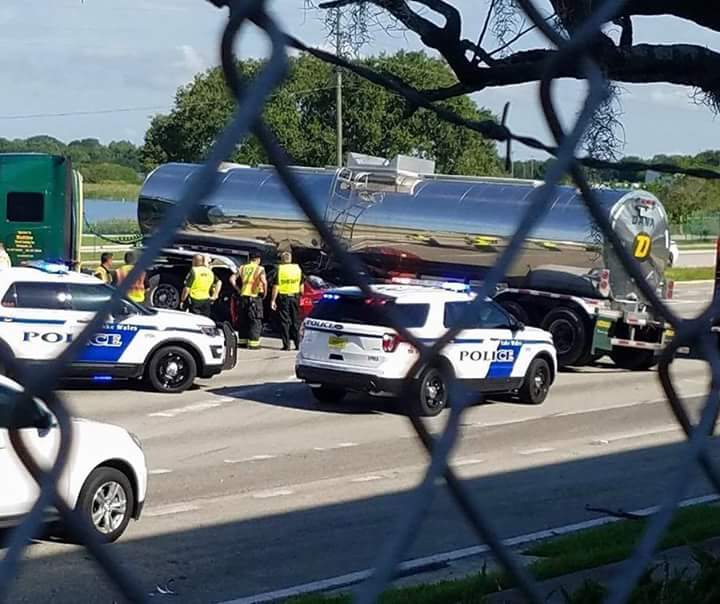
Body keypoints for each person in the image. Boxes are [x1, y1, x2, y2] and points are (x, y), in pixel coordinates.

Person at [230, 251, 266, 349]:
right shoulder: (260, 269)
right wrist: (264, 293)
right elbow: (264, 281)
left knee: (243, 319)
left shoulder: (242, 268)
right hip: (254, 297)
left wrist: (238, 289)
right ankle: (254, 344)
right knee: (255, 321)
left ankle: (242, 342)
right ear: (258, 259)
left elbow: (232, 279)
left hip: (243, 296)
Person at [271, 251, 303, 351]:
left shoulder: (280, 269)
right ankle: (298, 344)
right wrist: (300, 295)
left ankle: (286, 345)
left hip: (284, 297)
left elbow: (276, 286)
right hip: (295, 297)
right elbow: (301, 286)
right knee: (295, 321)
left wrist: (273, 300)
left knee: (285, 322)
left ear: (282, 260)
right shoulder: (297, 269)